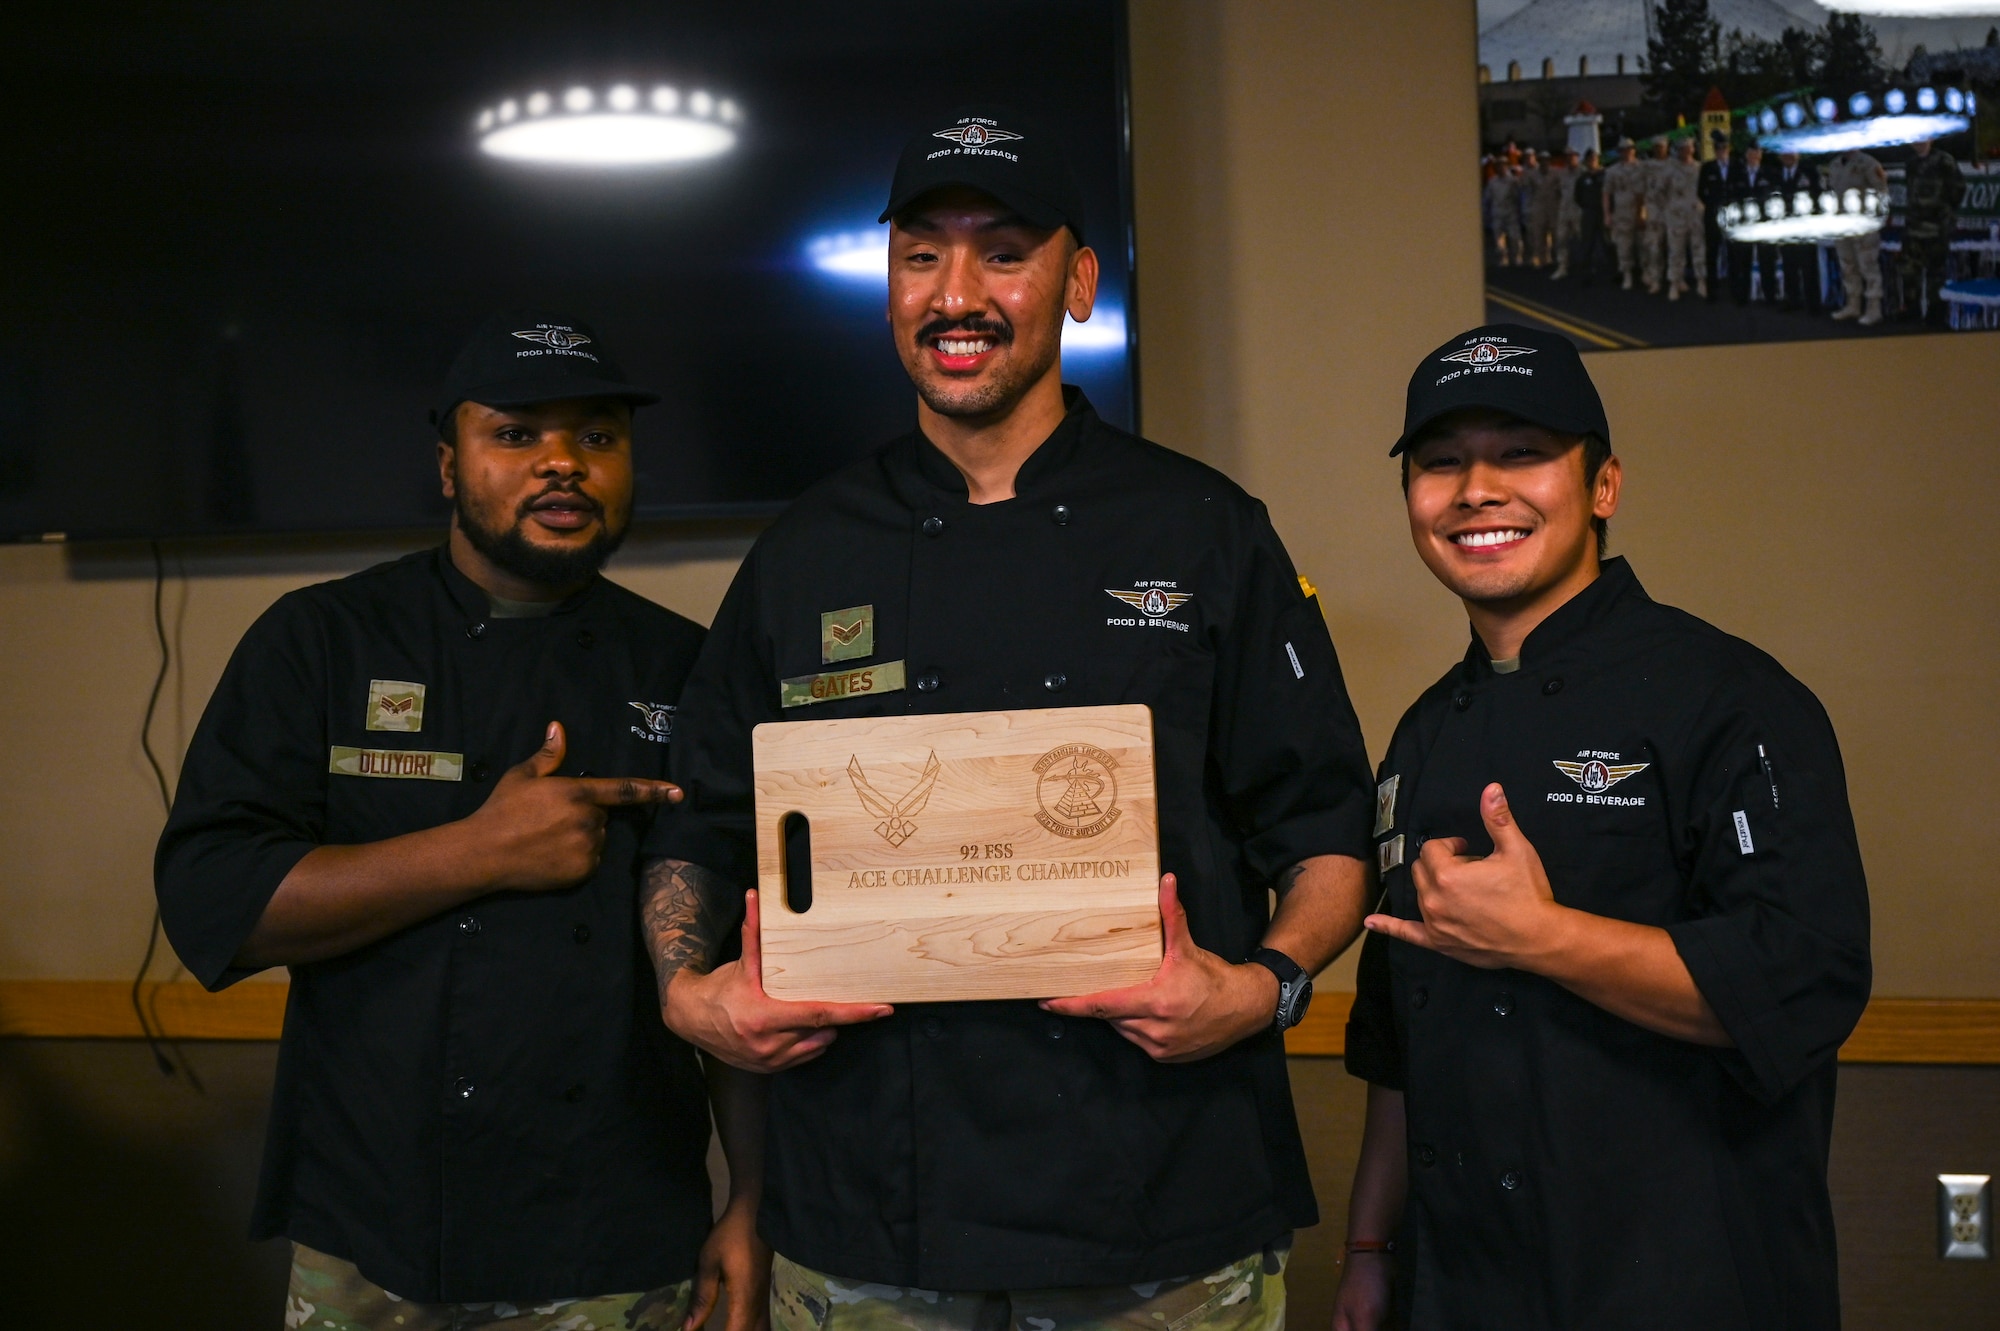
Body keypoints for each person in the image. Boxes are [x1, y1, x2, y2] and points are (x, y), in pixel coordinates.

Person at [643, 105, 1377, 1331]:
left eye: (1001, 252)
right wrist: (687, 993)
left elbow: (1326, 826)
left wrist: (1264, 986)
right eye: (921, 254)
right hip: (869, 1214)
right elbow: (703, 822)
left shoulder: (1201, 531)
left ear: (1077, 282)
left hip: (1161, 1198)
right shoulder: (804, 552)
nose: (955, 292)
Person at [155, 313, 769, 1330]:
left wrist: (751, 1200)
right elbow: (213, 903)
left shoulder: (690, 666)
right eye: (517, 434)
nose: (563, 463)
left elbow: (738, 952)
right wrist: (475, 851)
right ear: (448, 465)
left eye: (598, 437)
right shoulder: (320, 640)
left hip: (614, 1231)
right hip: (373, 1226)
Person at [1327, 324, 1872, 1330]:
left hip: (1683, 1280)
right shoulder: (1417, 733)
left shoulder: (1728, 699)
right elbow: (1396, 1039)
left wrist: (1543, 938)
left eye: (1520, 454)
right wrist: (1369, 1247)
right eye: (1439, 463)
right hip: (1459, 1288)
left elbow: (1802, 977)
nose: (1475, 489)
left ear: (1603, 484)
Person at [1898, 136, 1964, 326]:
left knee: (1936, 272)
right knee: (1910, 271)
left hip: (1937, 228)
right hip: (1914, 227)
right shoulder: (1911, 164)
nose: (1917, 142)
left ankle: (1936, 313)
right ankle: (1911, 309)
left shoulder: (1944, 161)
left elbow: (1958, 189)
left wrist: (1943, 212)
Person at [1825, 146, 1888, 325]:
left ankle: (1873, 308)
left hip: (1863, 224)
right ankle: (1853, 304)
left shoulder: (1868, 163)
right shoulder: (1835, 164)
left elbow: (1881, 190)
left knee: (1868, 266)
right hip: (1842, 224)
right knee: (1848, 265)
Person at [1773, 150, 1823, 313]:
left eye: (1791, 153)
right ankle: (1792, 299)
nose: (1787, 156)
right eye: (1784, 153)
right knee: (1789, 264)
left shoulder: (1809, 171)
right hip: (1785, 225)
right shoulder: (1776, 173)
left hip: (1805, 226)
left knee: (1808, 265)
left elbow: (1818, 195)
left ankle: (1813, 303)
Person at [1729, 143, 1778, 305]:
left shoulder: (1770, 173)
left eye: (1756, 152)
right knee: (1743, 262)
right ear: (1746, 155)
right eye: (1750, 152)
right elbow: (1732, 197)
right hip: (1744, 224)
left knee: (1767, 262)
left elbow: (1776, 197)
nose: (1753, 155)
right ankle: (1741, 296)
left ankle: (1769, 296)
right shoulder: (1737, 175)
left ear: (1761, 154)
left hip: (1764, 224)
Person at [1663, 137, 1709, 301]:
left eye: (1689, 148)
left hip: (1696, 215)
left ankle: (1702, 282)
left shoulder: (1699, 168)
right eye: (1683, 148)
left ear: (1693, 149)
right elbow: (1660, 192)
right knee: (1676, 252)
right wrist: (1670, 209)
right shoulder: (1670, 170)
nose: (1686, 151)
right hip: (1677, 216)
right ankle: (1674, 283)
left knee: (1699, 251)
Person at [1602, 139, 1645, 290]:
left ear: (1634, 150)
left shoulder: (1643, 168)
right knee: (1623, 247)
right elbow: (1607, 193)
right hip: (1621, 212)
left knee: (1644, 245)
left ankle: (1646, 274)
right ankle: (1627, 275)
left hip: (1641, 211)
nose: (1626, 152)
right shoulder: (1612, 171)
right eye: (1623, 150)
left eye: (1629, 149)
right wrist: (1607, 214)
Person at [1696, 131, 1734, 301]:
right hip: (1713, 215)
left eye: (1724, 148)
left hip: (1733, 215)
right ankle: (1712, 290)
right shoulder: (1707, 168)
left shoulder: (1736, 166)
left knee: (1734, 252)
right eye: (1718, 148)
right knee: (1712, 252)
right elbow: (1700, 192)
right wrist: (1712, 204)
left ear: (1728, 148)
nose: (1721, 151)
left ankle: (1734, 288)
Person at [1568, 149, 1611, 285]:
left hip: (1603, 211)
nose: (1592, 161)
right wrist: (1587, 206)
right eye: (1590, 159)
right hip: (1589, 212)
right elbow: (1578, 197)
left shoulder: (1605, 175)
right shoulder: (1582, 178)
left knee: (1607, 242)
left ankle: (1612, 271)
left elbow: (1611, 193)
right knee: (1587, 243)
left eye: (1594, 158)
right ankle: (1586, 272)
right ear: (1586, 161)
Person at [1639, 138, 1672, 294]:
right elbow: (1640, 190)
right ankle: (1654, 279)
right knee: (1653, 247)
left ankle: (1675, 279)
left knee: (1674, 248)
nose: (1659, 150)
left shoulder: (1674, 165)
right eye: (1656, 147)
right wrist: (1641, 212)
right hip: (1653, 211)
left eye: (1662, 147)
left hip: (1672, 211)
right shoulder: (1646, 166)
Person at [1527, 152, 1565, 270]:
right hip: (1538, 206)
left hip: (1553, 207)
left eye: (1547, 160)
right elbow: (1528, 190)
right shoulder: (1532, 174)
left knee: (1556, 235)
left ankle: (1559, 260)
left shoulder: (1557, 173)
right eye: (1542, 160)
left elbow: (1562, 188)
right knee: (1539, 235)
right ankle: (1541, 260)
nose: (1545, 162)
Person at [1549, 150, 1582, 280]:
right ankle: (1562, 266)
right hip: (1564, 210)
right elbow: (1556, 190)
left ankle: (1585, 265)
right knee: (1561, 239)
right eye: (1567, 157)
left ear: (1577, 157)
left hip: (1578, 210)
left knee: (1582, 240)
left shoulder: (1582, 172)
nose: (1570, 159)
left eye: (1572, 156)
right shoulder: (1561, 174)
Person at [1486, 161, 1524, 266]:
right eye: (1498, 166)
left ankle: (1517, 257)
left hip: (1511, 212)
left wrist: (1520, 211)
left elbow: (1519, 196)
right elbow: (1488, 198)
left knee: (1514, 237)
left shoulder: (1513, 180)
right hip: (1497, 212)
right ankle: (1504, 257)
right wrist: (1487, 213)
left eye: (1502, 166)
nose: (1500, 168)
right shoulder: (1492, 181)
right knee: (1499, 239)